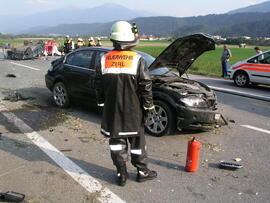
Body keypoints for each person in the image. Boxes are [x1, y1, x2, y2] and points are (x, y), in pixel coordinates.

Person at [95, 21, 157, 186]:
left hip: (112, 113)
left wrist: (102, 105)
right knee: (138, 145)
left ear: (114, 39)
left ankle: (121, 174)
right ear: (130, 39)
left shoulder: (103, 59)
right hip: (134, 113)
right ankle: (142, 172)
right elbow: (146, 87)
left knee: (116, 145)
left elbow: (98, 87)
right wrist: (149, 108)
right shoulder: (137, 59)